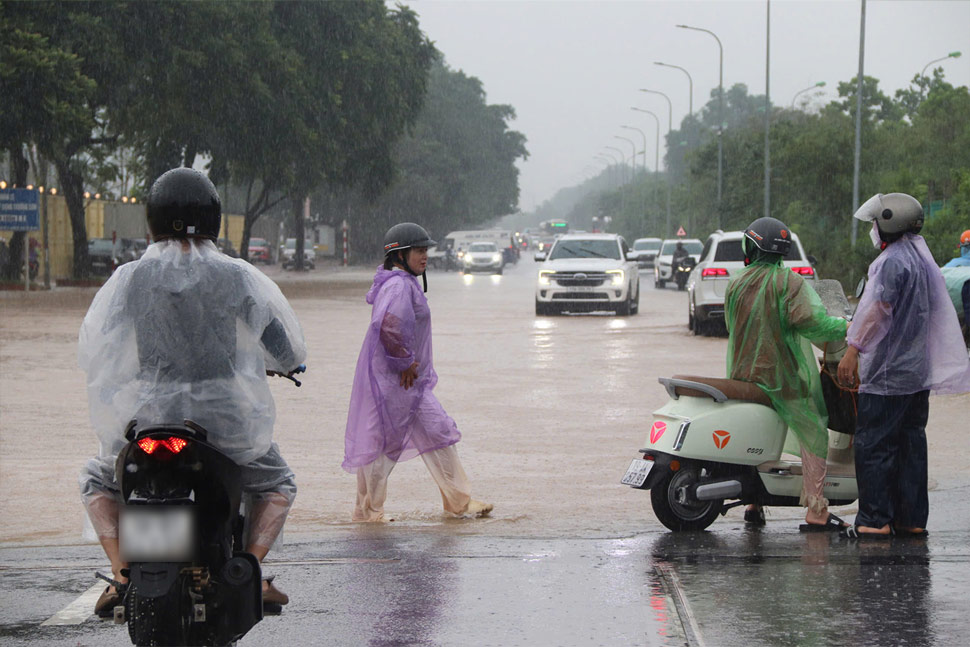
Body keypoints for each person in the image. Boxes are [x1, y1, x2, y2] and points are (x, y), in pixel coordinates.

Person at [78, 168, 306, 616]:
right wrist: (287, 366)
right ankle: (249, 571)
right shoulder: (237, 277)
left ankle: (122, 574)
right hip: (223, 424)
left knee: (96, 479)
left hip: (149, 416)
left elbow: (98, 345)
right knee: (278, 482)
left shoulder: (130, 278)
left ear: (154, 217)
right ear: (213, 218)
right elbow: (283, 345)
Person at [838, 193, 970, 538]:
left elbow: (876, 313)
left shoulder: (890, 262)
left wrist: (853, 350)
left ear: (889, 222)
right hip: (916, 373)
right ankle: (910, 519)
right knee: (911, 446)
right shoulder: (922, 260)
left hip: (887, 374)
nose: (873, 230)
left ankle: (874, 520)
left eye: (875, 223)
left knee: (874, 445)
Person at [343, 222, 492, 522]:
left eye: (426, 250)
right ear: (399, 254)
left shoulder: (404, 283)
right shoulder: (398, 285)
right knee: (382, 444)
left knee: (438, 432)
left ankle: (458, 502)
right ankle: (369, 513)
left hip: (410, 383)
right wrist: (405, 361)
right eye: (419, 251)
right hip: (397, 381)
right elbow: (388, 324)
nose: (425, 256)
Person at [725, 217, 850, 531]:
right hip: (782, 377)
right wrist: (846, 327)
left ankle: (753, 503)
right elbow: (812, 322)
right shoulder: (789, 282)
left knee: (755, 435)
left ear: (751, 247)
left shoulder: (736, 281)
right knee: (814, 431)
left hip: (741, 372)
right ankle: (817, 510)